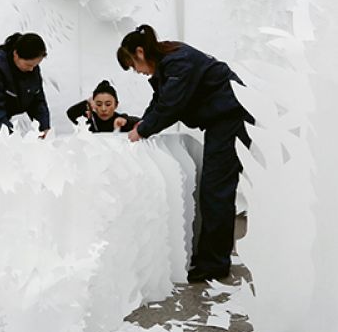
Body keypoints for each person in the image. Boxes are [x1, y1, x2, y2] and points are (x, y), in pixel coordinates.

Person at [117, 24, 254, 283]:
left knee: (216, 190)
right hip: (222, 119)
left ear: (140, 52)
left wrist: (143, 130)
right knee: (215, 189)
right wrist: (142, 124)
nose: (137, 71)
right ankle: (213, 259)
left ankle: (214, 264)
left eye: (133, 65)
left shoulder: (178, 62)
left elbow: (171, 105)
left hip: (231, 118)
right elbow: (160, 101)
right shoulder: (168, 63)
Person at [67, 80, 140, 133]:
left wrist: (126, 122)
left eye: (108, 104)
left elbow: (141, 122)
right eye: (99, 104)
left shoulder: (120, 119)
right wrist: (88, 103)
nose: (103, 109)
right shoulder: (90, 120)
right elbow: (71, 113)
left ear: (116, 105)